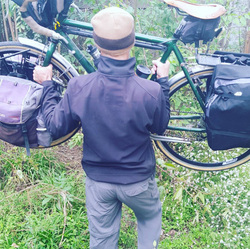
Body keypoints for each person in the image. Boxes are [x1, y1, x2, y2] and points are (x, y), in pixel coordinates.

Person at [33, 6, 170, 249]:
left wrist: (47, 86)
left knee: (102, 241)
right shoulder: (151, 91)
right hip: (139, 181)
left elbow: (55, 126)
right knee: (149, 220)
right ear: (133, 42)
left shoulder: (78, 87)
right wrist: (164, 82)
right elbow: (160, 128)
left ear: (96, 44)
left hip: (98, 183)